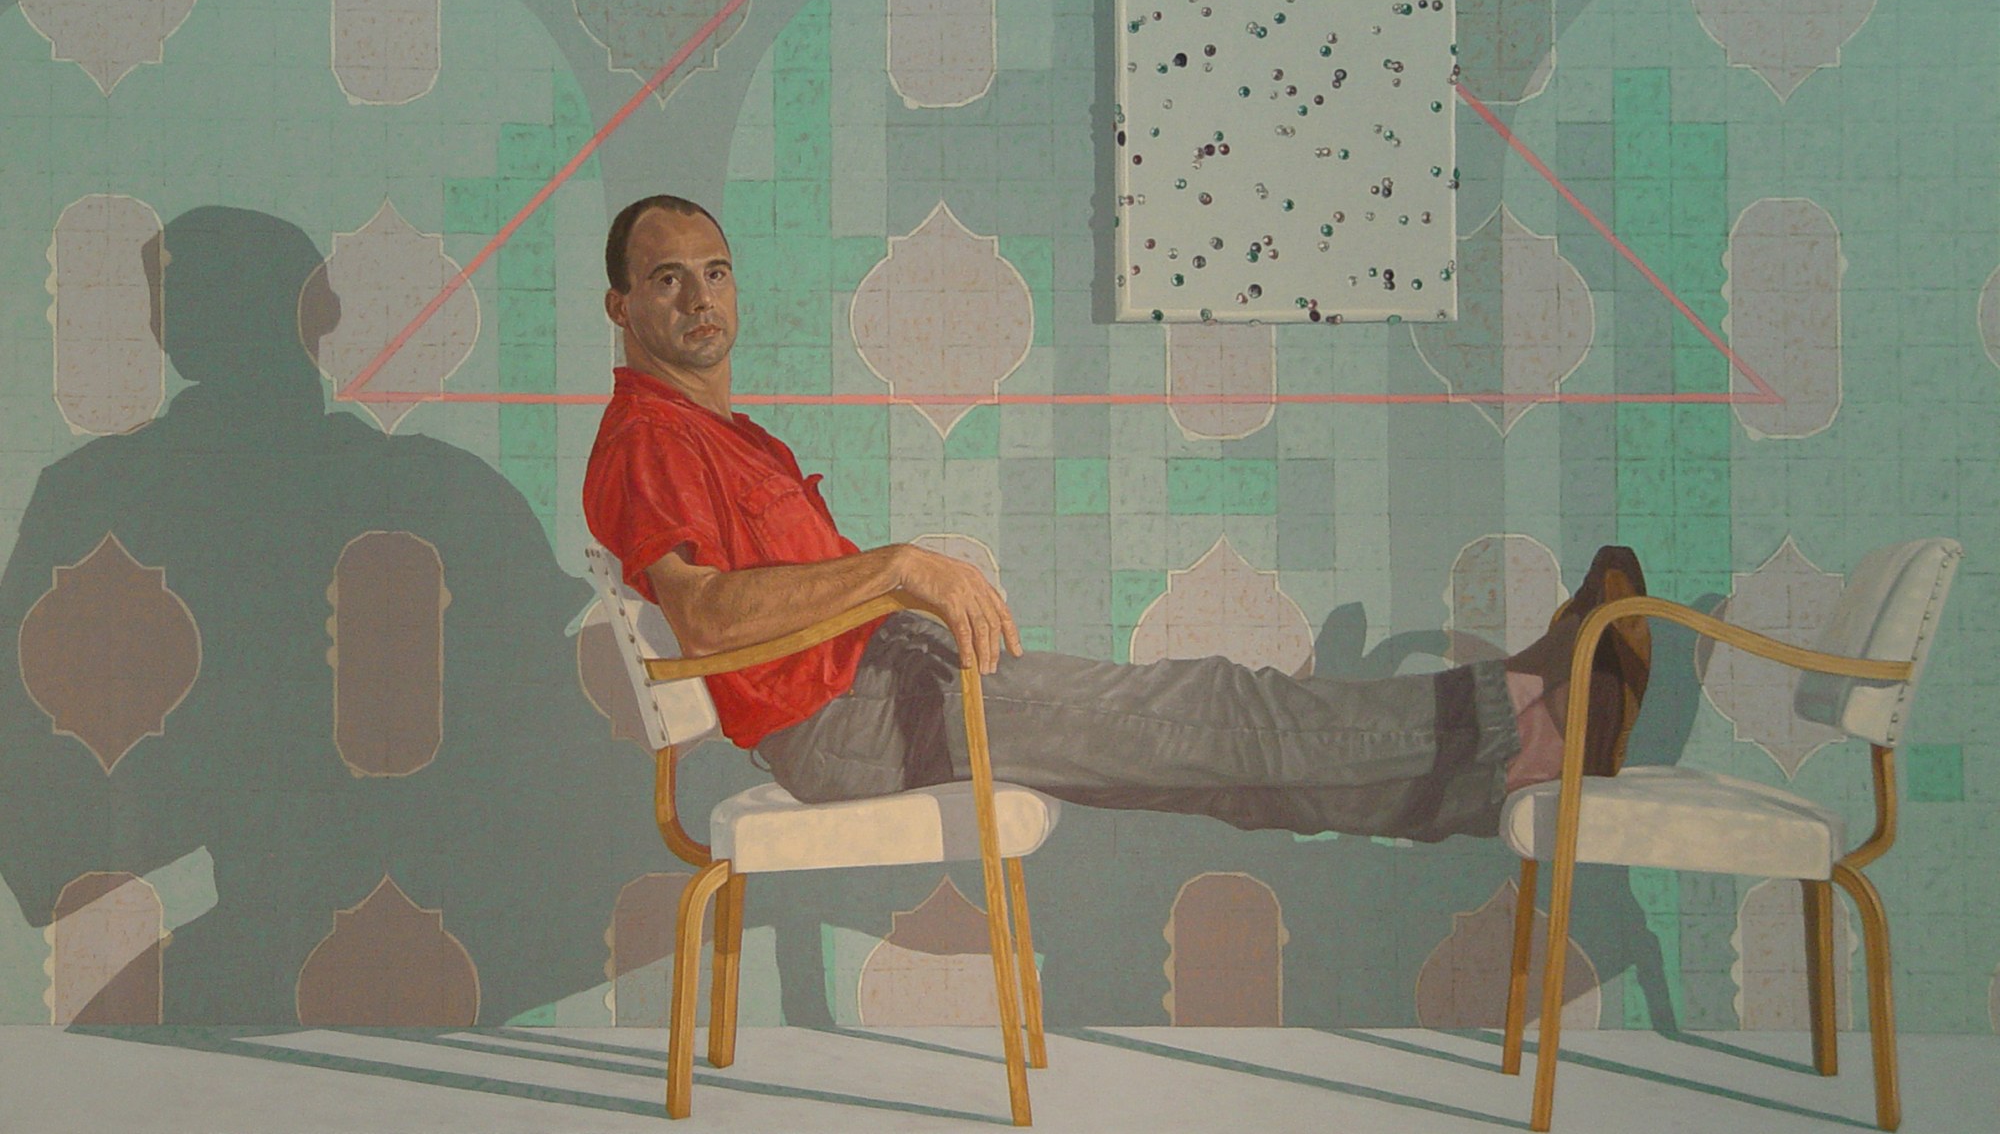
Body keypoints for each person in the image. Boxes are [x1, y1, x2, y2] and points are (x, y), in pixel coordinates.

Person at [584, 195, 1651, 842]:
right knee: (1208, 708)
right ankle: (1519, 712)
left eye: (714, 272)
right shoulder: (648, 438)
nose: (699, 299)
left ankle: (1514, 756)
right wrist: (899, 566)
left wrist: (896, 599)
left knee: (1212, 763)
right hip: (845, 719)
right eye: (666, 279)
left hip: (882, 675)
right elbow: (706, 616)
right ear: (620, 307)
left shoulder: (726, 433)